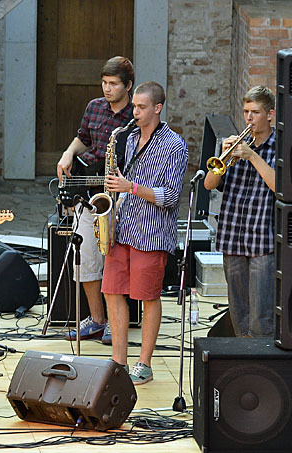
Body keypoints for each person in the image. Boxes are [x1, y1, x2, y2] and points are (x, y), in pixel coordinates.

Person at [101, 81, 187, 385]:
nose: (134, 112)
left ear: (157, 108)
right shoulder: (129, 138)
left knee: (148, 297)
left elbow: (171, 196)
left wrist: (132, 187)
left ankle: (144, 364)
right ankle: (118, 361)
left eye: (141, 107)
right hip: (123, 227)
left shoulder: (174, 145)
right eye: (134, 106)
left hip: (152, 234)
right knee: (112, 290)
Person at [56, 56, 135, 344]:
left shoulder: (136, 115)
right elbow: (83, 139)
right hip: (90, 192)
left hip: (119, 196)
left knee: (115, 261)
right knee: (86, 258)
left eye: (113, 84)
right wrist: (68, 154)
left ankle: (116, 321)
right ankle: (97, 319)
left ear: (128, 86)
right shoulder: (94, 107)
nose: (107, 88)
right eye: (104, 83)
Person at [203, 86, 276, 337]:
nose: (249, 118)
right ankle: (242, 358)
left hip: (262, 241)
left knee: (261, 318)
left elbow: (280, 187)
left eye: (255, 112)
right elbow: (209, 184)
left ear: (270, 114)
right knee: (239, 316)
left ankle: (260, 359)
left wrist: (252, 156)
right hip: (232, 238)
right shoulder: (236, 146)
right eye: (246, 112)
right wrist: (223, 155)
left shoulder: (279, 147)